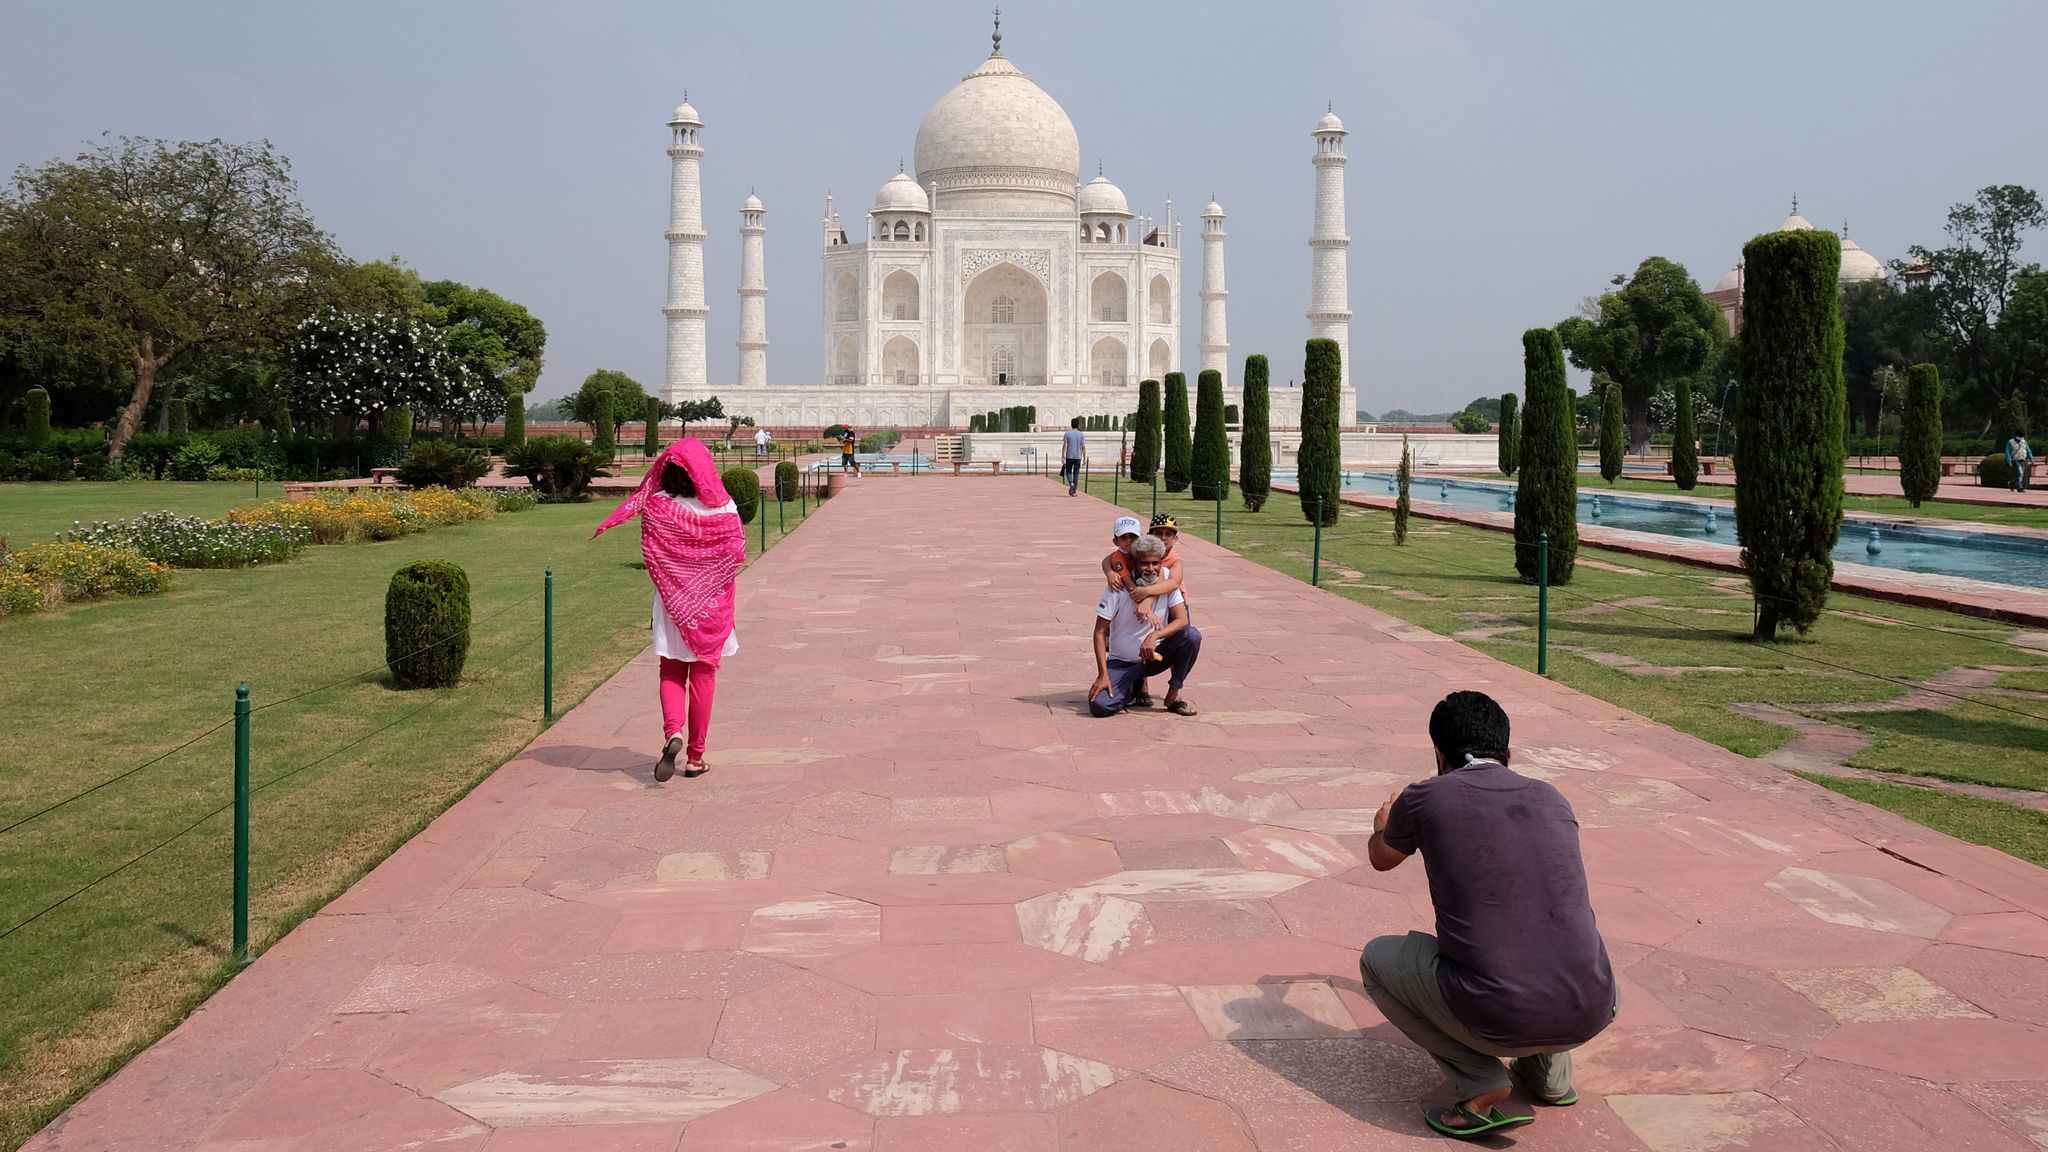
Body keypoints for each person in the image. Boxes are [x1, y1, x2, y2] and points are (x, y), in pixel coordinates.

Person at [1360, 691, 1615, 1139]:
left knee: (1378, 961)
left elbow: (1382, 859)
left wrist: (1384, 822)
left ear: (1439, 753)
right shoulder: (1552, 797)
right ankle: (1552, 1079)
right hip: (1593, 1007)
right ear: (1509, 753)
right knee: (1545, 935)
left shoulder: (1424, 797)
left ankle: (1480, 1080)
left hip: (1496, 1012)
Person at [593, 438, 748, 782]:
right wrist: (705, 580)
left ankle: (672, 733)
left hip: (673, 604)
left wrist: (679, 582)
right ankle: (695, 757)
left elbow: (651, 554)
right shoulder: (723, 508)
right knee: (704, 675)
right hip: (711, 606)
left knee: (672, 671)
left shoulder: (658, 505)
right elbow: (736, 552)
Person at [1089, 534, 1201, 717]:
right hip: (1122, 662)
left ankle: (1172, 695)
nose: (1151, 569)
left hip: (1154, 657)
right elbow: (1099, 633)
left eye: (1155, 563)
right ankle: (1130, 688)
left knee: (1191, 636)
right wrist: (1103, 675)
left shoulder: (1166, 579)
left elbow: (1182, 620)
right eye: (1144, 563)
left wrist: (1154, 636)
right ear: (1133, 562)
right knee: (1100, 706)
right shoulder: (1117, 586)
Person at [1062, 417, 1087, 496]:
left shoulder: (1067, 433)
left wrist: (1063, 455)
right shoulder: (1081, 434)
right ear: (1078, 425)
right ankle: (1074, 492)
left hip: (1069, 456)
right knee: (1076, 474)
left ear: (1071, 424)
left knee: (1068, 471)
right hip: (1078, 457)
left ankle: (1071, 484)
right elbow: (1083, 446)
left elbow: (1065, 445)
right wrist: (1084, 458)